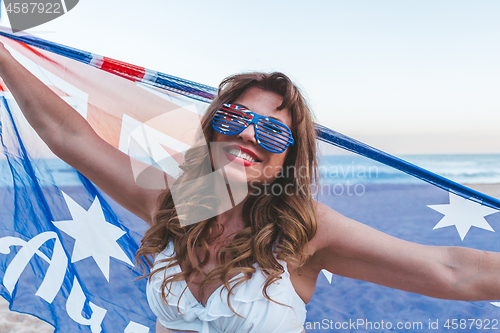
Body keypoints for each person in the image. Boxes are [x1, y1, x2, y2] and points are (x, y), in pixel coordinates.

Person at [0, 42, 499, 333]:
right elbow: (69, 136)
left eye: (272, 131)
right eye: (236, 117)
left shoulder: (301, 231)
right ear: (215, 127)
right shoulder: (179, 204)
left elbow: (451, 271)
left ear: (286, 159)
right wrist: (4, 56)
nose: (246, 134)